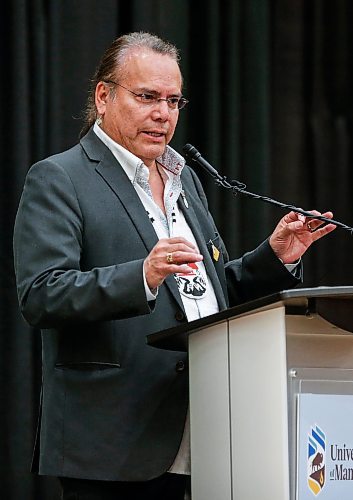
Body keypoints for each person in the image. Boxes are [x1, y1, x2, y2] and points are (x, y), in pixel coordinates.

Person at [13, 32, 335, 500]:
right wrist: (141, 276)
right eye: (147, 97)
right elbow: (42, 294)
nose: (163, 113)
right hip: (114, 443)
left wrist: (276, 257)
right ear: (103, 96)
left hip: (206, 433)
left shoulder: (185, 179)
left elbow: (208, 296)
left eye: (173, 100)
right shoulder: (60, 178)